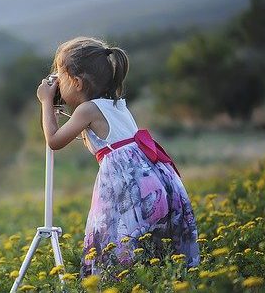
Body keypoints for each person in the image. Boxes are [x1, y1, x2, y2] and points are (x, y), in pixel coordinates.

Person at [36, 37, 199, 277]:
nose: (57, 83)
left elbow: (54, 141)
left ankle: (119, 281)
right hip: (155, 181)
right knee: (150, 243)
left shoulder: (87, 110)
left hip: (126, 187)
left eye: (60, 76)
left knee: (116, 238)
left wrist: (46, 102)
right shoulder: (116, 104)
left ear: (77, 82)